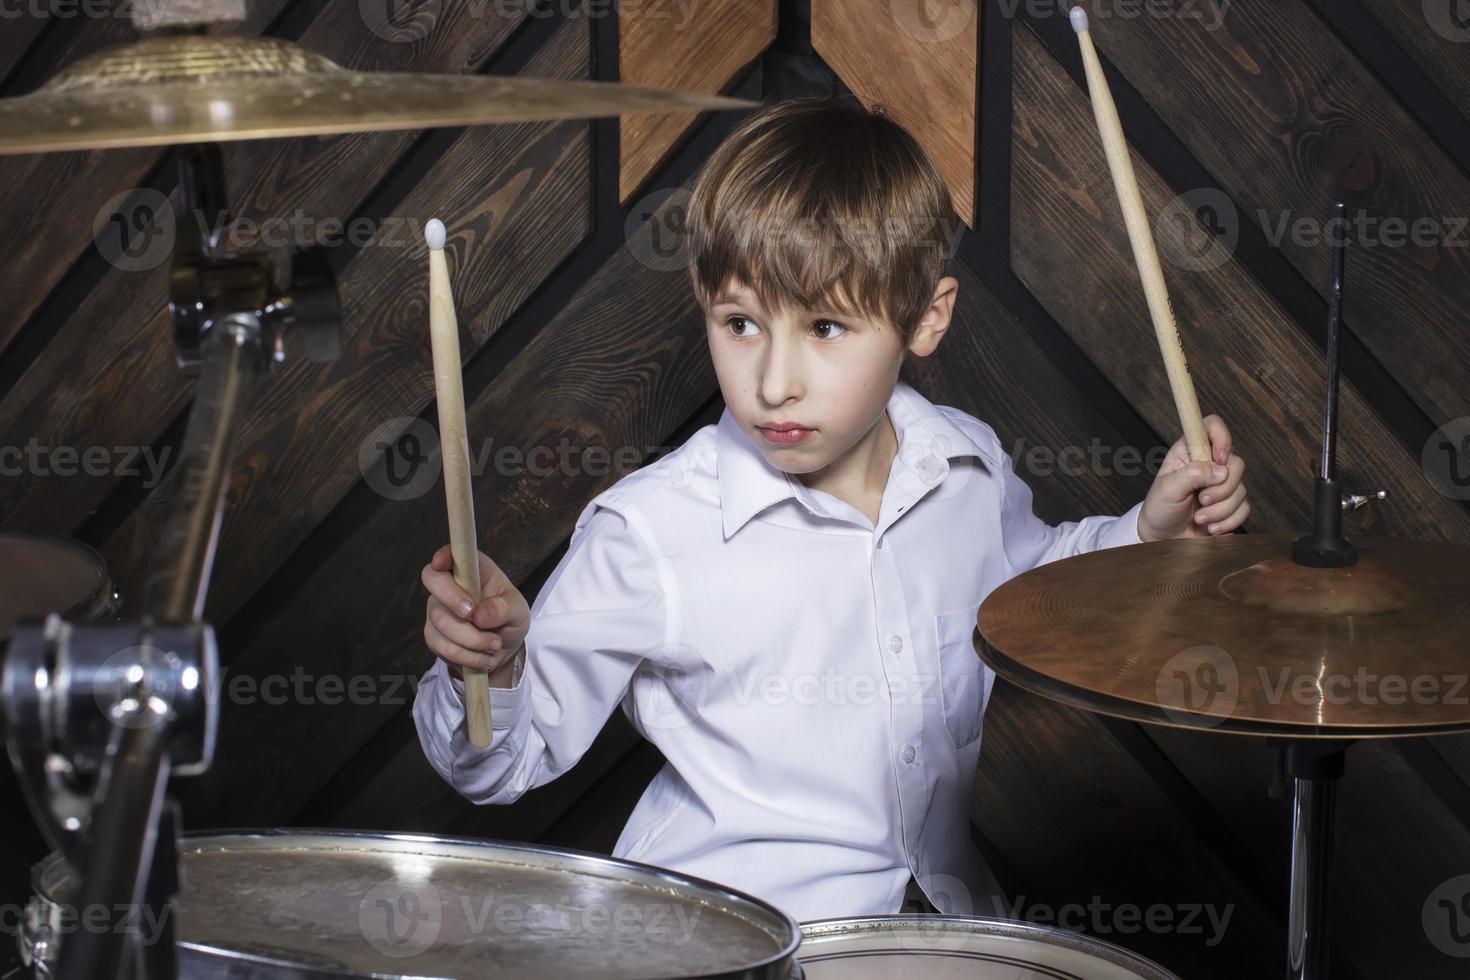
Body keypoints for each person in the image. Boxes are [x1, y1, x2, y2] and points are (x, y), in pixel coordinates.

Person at [411, 95, 1249, 922]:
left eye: (824, 327)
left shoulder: (966, 469)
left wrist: (1148, 533)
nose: (773, 382)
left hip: (936, 926)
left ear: (927, 318)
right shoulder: (651, 532)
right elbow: (499, 767)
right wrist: (490, 669)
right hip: (717, 943)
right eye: (739, 323)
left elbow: (1036, 589)